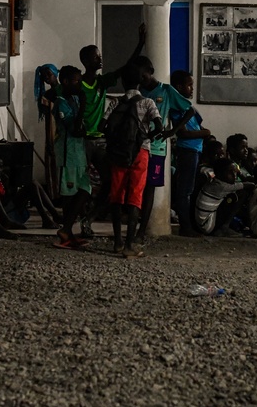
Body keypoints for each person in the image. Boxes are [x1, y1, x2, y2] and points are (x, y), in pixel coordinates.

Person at [77, 24, 147, 239]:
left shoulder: (102, 82)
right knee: (79, 185)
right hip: (81, 140)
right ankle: (72, 221)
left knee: (109, 183)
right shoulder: (78, 84)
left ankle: (88, 218)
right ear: (87, 61)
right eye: (96, 57)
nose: (100, 59)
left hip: (99, 141)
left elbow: (125, 69)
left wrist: (140, 44)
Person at [103, 65, 163, 257]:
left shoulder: (115, 103)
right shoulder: (147, 102)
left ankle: (117, 242)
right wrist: (146, 136)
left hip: (118, 153)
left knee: (116, 195)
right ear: (140, 82)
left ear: (123, 82)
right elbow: (159, 126)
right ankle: (130, 245)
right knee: (135, 196)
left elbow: (103, 125)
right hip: (140, 152)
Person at [133, 56, 195, 238]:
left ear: (151, 72)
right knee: (137, 187)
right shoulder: (138, 92)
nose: (142, 80)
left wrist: (172, 131)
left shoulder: (166, 91)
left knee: (151, 187)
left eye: (144, 76)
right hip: (139, 145)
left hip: (157, 147)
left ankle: (142, 230)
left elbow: (189, 109)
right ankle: (134, 226)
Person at [52, 65, 92, 249]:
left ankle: (67, 230)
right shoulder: (61, 103)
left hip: (79, 155)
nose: (79, 84)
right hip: (68, 156)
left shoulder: (74, 99)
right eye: (76, 80)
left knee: (85, 189)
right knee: (70, 195)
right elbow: (74, 129)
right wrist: (83, 105)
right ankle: (66, 232)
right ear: (66, 82)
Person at [167, 70, 210, 237]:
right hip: (188, 149)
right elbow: (183, 133)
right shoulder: (178, 108)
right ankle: (185, 227)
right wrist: (204, 133)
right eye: (189, 85)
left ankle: (188, 225)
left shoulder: (187, 106)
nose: (192, 88)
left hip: (194, 150)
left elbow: (198, 125)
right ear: (179, 87)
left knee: (188, 189)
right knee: (184, 191)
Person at [0, 154, 60, 229]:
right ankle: (46, 218)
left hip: (9, 210)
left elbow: (8, 199)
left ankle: (55, 215)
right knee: (32, 186)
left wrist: (7, 186)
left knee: (35, 183)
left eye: (1, 167)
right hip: (2, 216)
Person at [193, 157, 253, 238]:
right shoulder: (221, 187)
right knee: (240, 195)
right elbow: (249, 185)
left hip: (203, 223)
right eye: (230, 172)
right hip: (208, 225)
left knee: (233, 197)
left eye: (235, 172)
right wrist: (240, 174)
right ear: (220, 173)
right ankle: (223, 228)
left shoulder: (215, 181)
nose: (234, 175)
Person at [35, 64, 60, 197]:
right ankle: (53, 194)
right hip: (51, 130)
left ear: (56, 74)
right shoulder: (47, 95)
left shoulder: (64, 91)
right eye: (44, 76)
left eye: (49, 75)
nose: (47, 78)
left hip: (61, 131)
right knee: (52, 161)